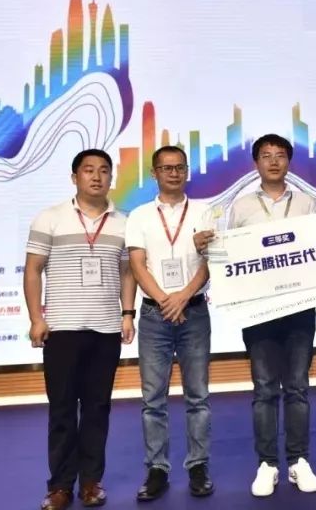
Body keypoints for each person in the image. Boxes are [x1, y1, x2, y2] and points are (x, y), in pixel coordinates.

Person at [206, 134, 316, 496]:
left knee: (298, 387)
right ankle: (267, 464)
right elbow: (230, 256)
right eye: (266, 156)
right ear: (256, 163)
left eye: (280, 155)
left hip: (300, 306)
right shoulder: (241, 207)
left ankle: (299, 461)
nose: (274, 161)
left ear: (289, 161)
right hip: (258, 310)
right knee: (264, 389)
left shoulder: (307, 203)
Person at [23, 149, 137, 510]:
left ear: (111, 177)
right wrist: (36, 318)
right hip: (62, 329)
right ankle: (59, 486)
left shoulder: (124, 222)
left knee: (96, 409)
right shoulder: (50, 217)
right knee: (61, 410)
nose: (96, 177)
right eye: (88, 170)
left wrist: (127, 314)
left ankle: (90, 482)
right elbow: (32, 270)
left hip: (106, 329)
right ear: (75, 177)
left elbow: (127, 272)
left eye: (104, 170)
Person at [126, 145, 216, 500]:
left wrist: (182, 297)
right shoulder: (139, 215)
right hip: (154, 314)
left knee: (198, 396)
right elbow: (138, 265)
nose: (174, 173)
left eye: (180, 167)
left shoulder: (205, 211)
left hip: (193, 310)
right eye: (166, 168)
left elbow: (211, 261)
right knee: (153, 399)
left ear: (187, 171)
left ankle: (198, 466)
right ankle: (157, 470)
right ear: (154, 173)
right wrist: (166, 301)